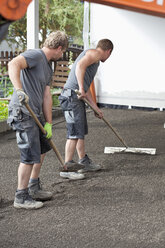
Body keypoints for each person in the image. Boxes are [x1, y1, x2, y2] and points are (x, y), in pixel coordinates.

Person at [7, 31, 68, 209]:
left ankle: (33, 186)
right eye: (62, 52)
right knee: (28, 155)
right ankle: (21, 196)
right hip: (23, 112)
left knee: (41, 148)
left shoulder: (48, 67)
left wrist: (48, 122)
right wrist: (19, 91)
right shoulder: (35, 55)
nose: (61, 55)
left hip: (36, 114)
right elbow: (13, 64)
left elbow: (46, 96)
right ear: (59, 48)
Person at [59, 39, 113, 177]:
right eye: (110, 54)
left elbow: (86, 86)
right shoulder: (95, 54)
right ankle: (67, 167)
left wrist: (95, 108)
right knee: (74, 132)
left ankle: (83, 161)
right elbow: (79, 67)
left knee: (80, 131)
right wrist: (81, 88)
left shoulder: (94, 59)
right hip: (72, 96)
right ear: (108, 51)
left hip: (76, 97)